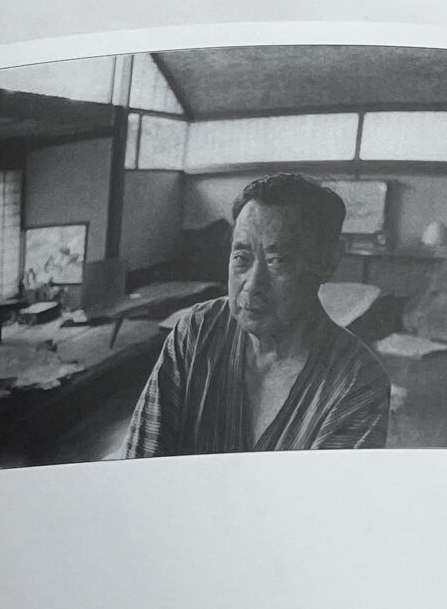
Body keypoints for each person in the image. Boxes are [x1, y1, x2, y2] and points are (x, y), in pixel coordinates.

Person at [125, 174, 390, 456]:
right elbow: (140, 465)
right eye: (241, 258)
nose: (252, 284)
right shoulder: (197, 332)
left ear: (328, 261)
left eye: (278, 261)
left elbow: (322, 487)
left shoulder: (357, 384)